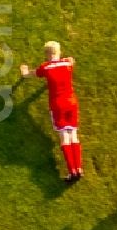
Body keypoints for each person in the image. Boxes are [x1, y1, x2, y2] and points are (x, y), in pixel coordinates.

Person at [19, 40, 83, 182]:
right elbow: (72, 61)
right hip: (71, 102)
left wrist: (24, 72)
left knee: (64, 137)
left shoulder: (46, 68)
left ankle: (72, 171)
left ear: (47, 54)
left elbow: (30, 74)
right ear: (59, 52)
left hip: (58, 105)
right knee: (73, 134)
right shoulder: (67, 63)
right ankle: (79, 168)